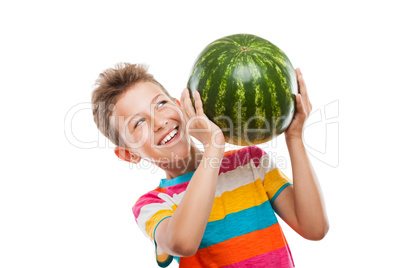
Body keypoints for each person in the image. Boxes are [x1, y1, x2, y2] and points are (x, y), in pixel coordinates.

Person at [91, 63, 329, 267]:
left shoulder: (251, 163)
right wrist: (214, 149)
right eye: (138, 122)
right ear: (128, 155)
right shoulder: (153, 204)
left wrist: (294, 138)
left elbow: (315, 229)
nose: (159, 122)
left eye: (161, 104)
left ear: (179, 106)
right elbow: (182, 243)